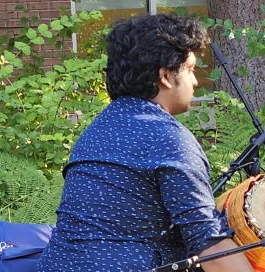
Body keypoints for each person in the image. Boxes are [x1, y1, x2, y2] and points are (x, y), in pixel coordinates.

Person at [36, 14, 253, 272]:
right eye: (191, 69)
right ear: (165, 76)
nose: (195, 81)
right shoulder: (169, 139)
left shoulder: (94, 133)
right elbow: (210, 247)